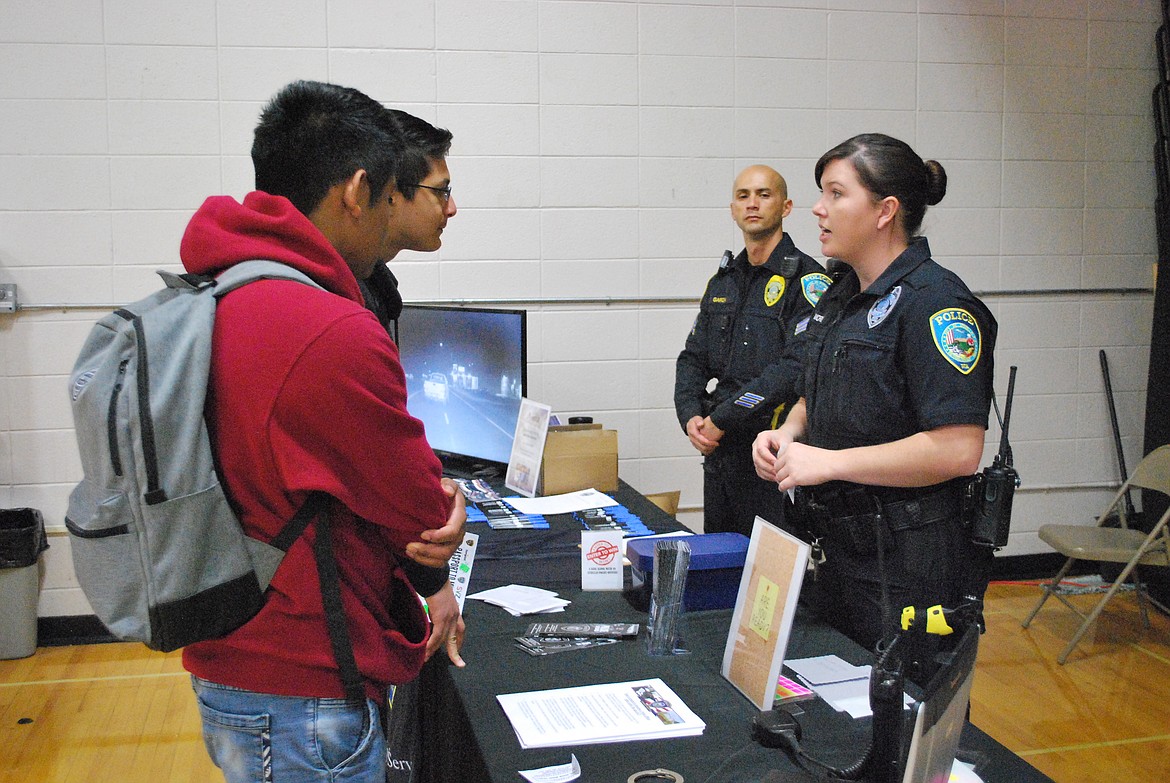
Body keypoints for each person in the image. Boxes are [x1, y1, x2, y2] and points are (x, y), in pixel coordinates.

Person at [179, 80, 464, 783]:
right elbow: (418, 508)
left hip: (236, 652)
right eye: (393, 195)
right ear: (359, 190)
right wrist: (445, 514)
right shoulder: (326, 327)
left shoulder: (220, 289)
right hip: (301, 678)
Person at [752, 134, 998, 652]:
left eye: (836, 194)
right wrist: (789, 433)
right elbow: (817, 392)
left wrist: (831, 463)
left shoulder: (936, 304)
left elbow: (958, 449)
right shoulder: (844, 292)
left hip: (906, 562)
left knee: (902, 714)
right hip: (837, 550)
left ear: (885, 211)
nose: (818, 209)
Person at [675, 165, 828, 537]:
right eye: (743, 196)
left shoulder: (807, 281)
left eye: (764, 194)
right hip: (720, 454)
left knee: (768, 581)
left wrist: (722, 418)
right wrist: (691, 417)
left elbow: (793, 368)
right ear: (733, 209)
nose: (753, 204)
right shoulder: (724, 281)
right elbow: (693, 357)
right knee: (722, 568)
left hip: (772, 456)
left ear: (786, 207)